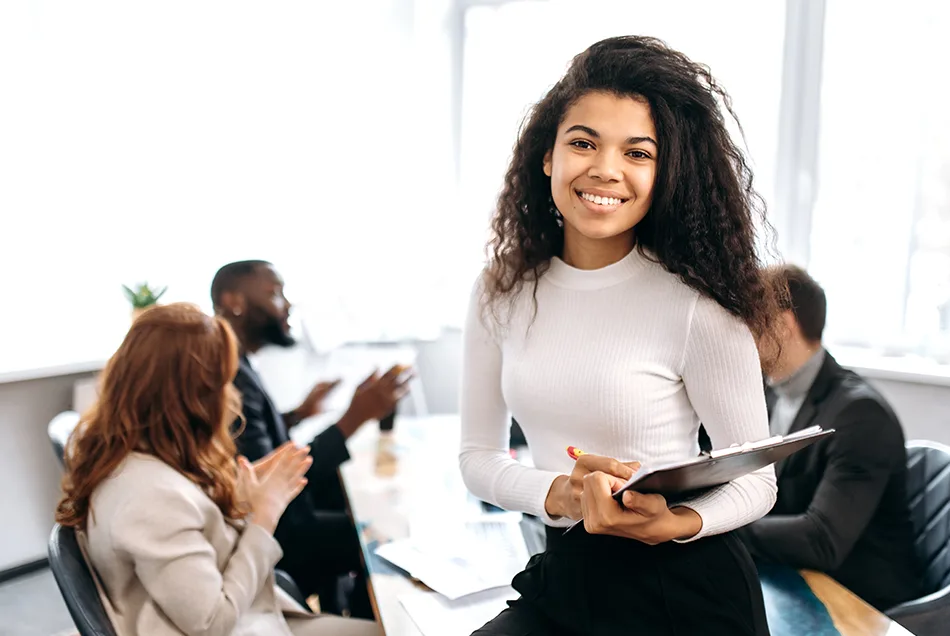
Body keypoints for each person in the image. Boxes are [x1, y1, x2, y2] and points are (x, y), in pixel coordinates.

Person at [460, 36, 785, 635]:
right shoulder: (500, 290)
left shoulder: (697, 304)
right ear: (548, 157)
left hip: (686, 590)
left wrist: (677, 521)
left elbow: (756, 482)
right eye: (583, 142)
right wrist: (559, 492)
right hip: (569, 574)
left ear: (665, 174)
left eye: (638, 153)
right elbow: (477, 460)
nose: (605, 169)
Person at [55, 303, 380, 636]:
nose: (233, 396)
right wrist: (264, 515)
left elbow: (193, 517)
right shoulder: (151, 497)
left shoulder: (138, 458)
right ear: (189, 398)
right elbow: (212, 623)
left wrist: (242, 490)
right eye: (224, 384)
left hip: (258, 617)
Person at [211, 260, 411, 617]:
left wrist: (297, 413)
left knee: (357, 502)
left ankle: (346, 606)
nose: (286, 305)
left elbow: (255, 439)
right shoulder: (229, 373)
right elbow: (271, 476)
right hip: (280, 539)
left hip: (286, 519)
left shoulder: (240, 364)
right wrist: (354, 418)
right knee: (379, 537)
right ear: (235, 302)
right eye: (275, 293)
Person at [736, 265, 922, 610]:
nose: (740, 334)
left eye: (748, 320)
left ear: (783, 326)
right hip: (794, 579)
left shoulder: (861, 415)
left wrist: (721, 526)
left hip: (863, 600)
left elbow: (823, 539)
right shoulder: (769, 394)